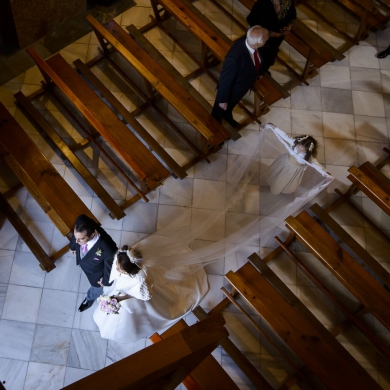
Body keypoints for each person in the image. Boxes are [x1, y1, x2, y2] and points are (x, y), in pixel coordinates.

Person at [93, 245, 209, 343]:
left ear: (130, 271)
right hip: (119, 291)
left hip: (130, 298)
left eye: (121, 269)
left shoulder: (139, 281)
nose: (117, 269)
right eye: (118, 265)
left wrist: (122, 298)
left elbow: (145, 296)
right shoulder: (122, 255)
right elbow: (115, 271)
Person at [211, 26, 270, 128]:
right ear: (258, 43)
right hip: (232, 90)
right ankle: (215, 128)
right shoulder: (234, 58)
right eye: (265, 40)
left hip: (242, 87)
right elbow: (225, 80)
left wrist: (258, 73)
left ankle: (227, 115)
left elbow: (256, 60)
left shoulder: (251, 44)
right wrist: (222, 100)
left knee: (230, 106)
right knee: (219, 111)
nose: (266, 41)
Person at [69, 214, 118, 312]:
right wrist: (73, 246)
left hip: (96, 276)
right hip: (86, 264)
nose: (77, 241)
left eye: (81, 239)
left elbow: (111, 266)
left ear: (92, 235)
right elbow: (76, 238)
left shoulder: (108, 249)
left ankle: (89, 299)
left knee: (96, 290)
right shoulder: (82, 230)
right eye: (75, 237)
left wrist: (105, 281)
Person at [266, 124, 332, 194]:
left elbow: (317, 165)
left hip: (293, 170)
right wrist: (274, 127)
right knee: (277, 173)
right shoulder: (295, 142)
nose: (298, 151)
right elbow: (285, 136)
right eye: (298, 147)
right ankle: (273, 182)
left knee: (283, 180)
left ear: (308, 151)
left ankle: (276, 189)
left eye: (302, 150)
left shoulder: (309, 157)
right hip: (285, 162)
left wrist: (325, 173)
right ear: (298, 143)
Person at [247, 0, 297, 68]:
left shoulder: (288, 1)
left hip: (275, 42)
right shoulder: (262, 3)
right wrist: (277, 34)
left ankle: (263, 71)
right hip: (260, 41)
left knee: (269, 59)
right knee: (254, 61)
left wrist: (289, 25)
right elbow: (252, 22)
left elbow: (293, 15)